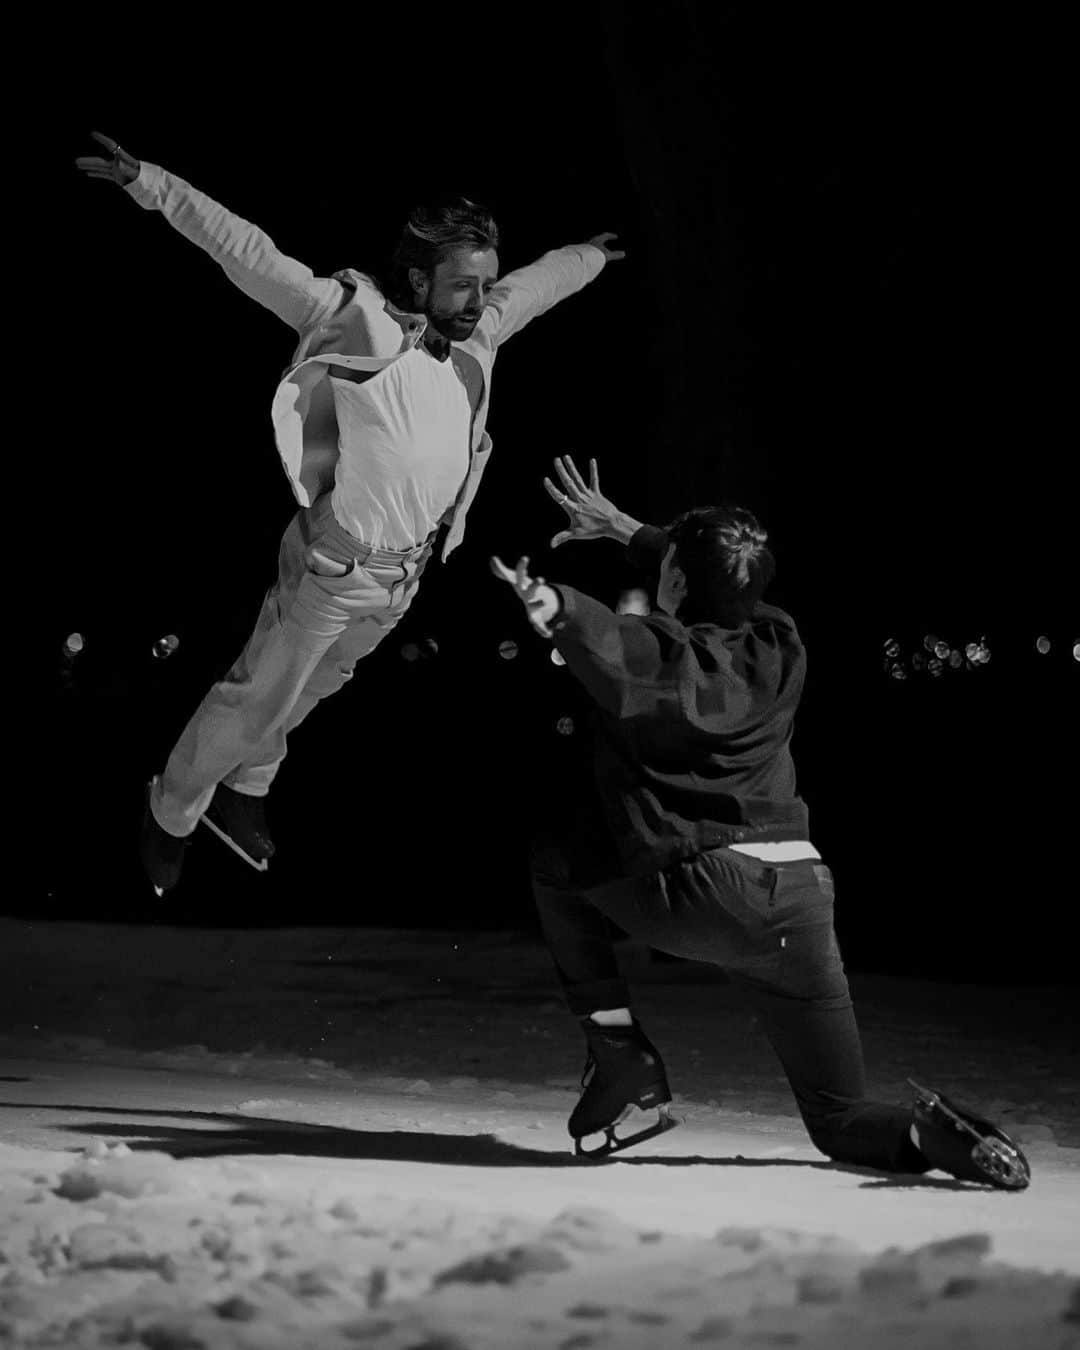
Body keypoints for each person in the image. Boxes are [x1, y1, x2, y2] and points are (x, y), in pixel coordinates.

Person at [76, 132, 625, 891]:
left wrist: (587, 257)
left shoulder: (481, 338)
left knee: (310, 691)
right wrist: (154, 184)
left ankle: (246, 791)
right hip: (333, 567)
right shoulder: (362, 321)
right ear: (418, 278)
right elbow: (251, 255)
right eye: (463, 285)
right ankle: (168, 812)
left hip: (403, 578)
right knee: (252, 697)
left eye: (484, 283)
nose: (480, 299)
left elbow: (534, 286)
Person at [489, 455, 1030, 1189]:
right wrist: (628, 529)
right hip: (802, 902)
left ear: (674, 581)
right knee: (838, 1116)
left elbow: (619, 645)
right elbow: (720, 583)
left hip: (710, 891)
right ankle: (938, 1134)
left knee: (556, 859)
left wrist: (552, 602)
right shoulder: (782, 644)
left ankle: (619, 1050)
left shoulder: (663, 652)